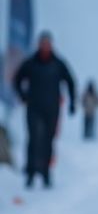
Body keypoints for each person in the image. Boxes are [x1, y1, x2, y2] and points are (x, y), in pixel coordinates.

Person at [14, 31, 77, 188]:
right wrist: (22, 95)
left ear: (51, 44)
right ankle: (30, 173)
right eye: (42, 43)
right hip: (33, 107)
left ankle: (46, 173)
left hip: (52, 109)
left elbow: (70, 81)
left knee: (48, 140)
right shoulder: (30, 63)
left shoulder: (58, 64)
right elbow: (17, 79)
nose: (45, 46)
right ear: (38, 44)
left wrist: (72, 102)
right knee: (34, 138)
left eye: (47, 43)